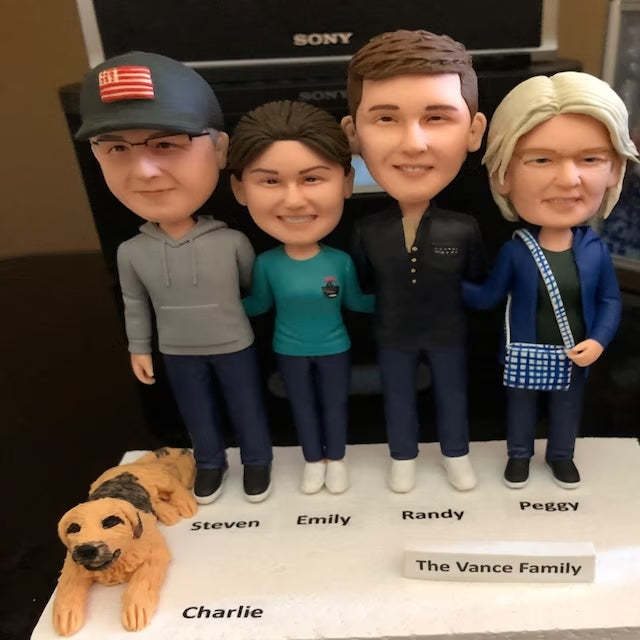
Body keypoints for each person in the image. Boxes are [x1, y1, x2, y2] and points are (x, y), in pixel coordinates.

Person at [76, 51, 273, 504]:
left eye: (165, 144)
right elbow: (134, 303)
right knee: (196, 412)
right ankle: (210, 463)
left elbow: (254, 290)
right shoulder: (132, 251)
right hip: (177, 349)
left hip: (234, 343)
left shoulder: (232, 241)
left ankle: (257, 460)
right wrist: (139, 347)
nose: (144, 170)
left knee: (246, 405)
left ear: (220, 149)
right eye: (116, 148)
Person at [463, 71, 638, 489]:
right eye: (541, 160)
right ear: (503, 174)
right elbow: (488, 296)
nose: (568, 179)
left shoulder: (595, 251)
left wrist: (598, 341)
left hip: (574, 354)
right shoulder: (515, 251)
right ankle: (519, 456)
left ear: (615, 170)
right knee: (520, 410)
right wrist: (446, 284)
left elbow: (610, 301)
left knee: (567, 410)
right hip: (524, 352)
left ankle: (561, 456)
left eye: (590, 159)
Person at [341, 30, 487, 492]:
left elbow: (477, 279)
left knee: (453, 396)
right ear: (353, 133)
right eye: (386, 118)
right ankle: (402, 455)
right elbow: (361, 285)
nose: (413, 143)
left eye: (436, 117)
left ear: (474, 131)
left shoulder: (463, 228)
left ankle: (456, 453)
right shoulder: (368, 231)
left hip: (449, 334)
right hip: (392, 335)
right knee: (397, 398)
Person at [228, 100, 374, 494]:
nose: (293, 200)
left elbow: (357, 302)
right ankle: (313, 460)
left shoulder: (340, 261)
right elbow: (258, 305)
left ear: (347, 182)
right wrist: (222, 307)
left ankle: (336, 459)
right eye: (271, 181)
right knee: (303, 407)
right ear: (240, 189)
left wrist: (396, 298)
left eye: (311, 178)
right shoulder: (267, 264)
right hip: (288, 350)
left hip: (335, 348)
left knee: (335, 404)